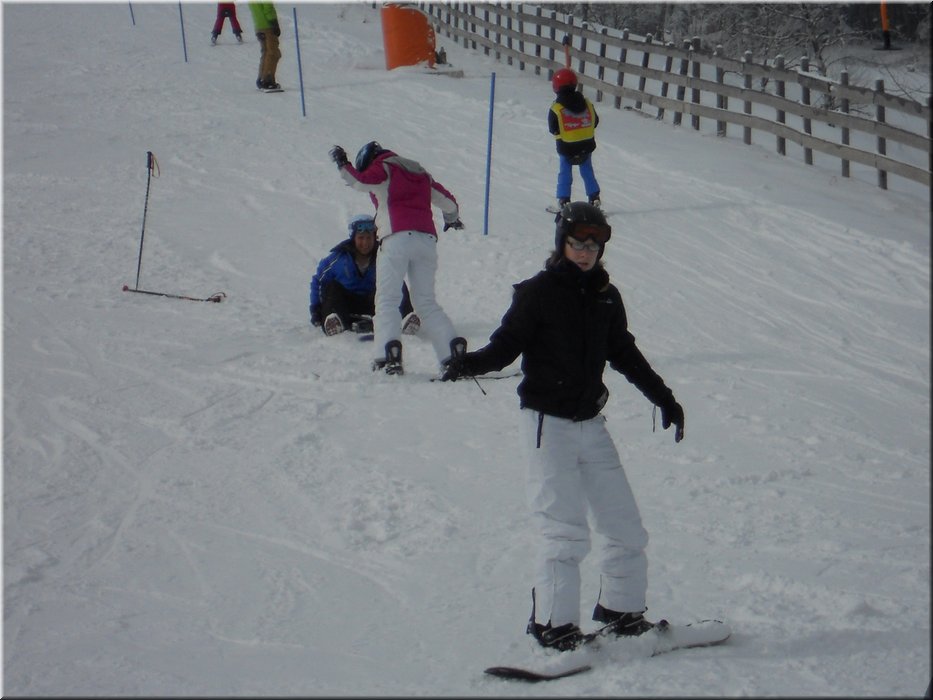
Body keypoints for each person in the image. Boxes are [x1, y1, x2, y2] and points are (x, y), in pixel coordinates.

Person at [441, 202, 685, 652]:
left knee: (625, 526)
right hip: (546, 426)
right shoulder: (537, 293)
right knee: (563, 530)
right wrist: (467, 363)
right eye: (577, 243)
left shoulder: (606, 297)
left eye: (594, 245)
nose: (586, 252)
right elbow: (505, 347)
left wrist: (663, 397)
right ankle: (553, 624)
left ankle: (621, 610)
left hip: (591, 423)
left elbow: (625, 353)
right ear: (562, 243)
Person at [328, 141, 466, 376]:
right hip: (426, 241)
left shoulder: (383, 167)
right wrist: (451, 218)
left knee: (387, 300)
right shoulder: (420, 172)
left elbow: (360, 181)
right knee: (426, 302)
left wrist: (343, 164)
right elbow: (449, 202)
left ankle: (387, 355)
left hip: (396, 238)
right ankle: (451, 353)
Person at [310, 214, 420, 337]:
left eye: (369, 238)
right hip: (346, 305)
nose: (365, 243)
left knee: (397, 282)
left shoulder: (383, 256)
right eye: (361, 238)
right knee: (332, 287)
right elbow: (318, 281)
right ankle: (333, 322)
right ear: (354, 238)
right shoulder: (339, 258)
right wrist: (315, 310)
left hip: (374, 303)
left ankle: (406, 319)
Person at [548, 68, 601, 212]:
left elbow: (553, 128)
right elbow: (595, 121)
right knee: (587, 171)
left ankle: (564, 200)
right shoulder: (587, 104)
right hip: (586, 146)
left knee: (565, 172)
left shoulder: (556, 108)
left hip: (567, 148)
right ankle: (594, 197)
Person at [248, 2, 281, 90]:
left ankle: (261, 78)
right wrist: (274, 22)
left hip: (258, 25)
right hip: (267, 26)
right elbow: (268, 8)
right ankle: (267, 79)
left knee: (266, 52)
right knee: (273, 53)